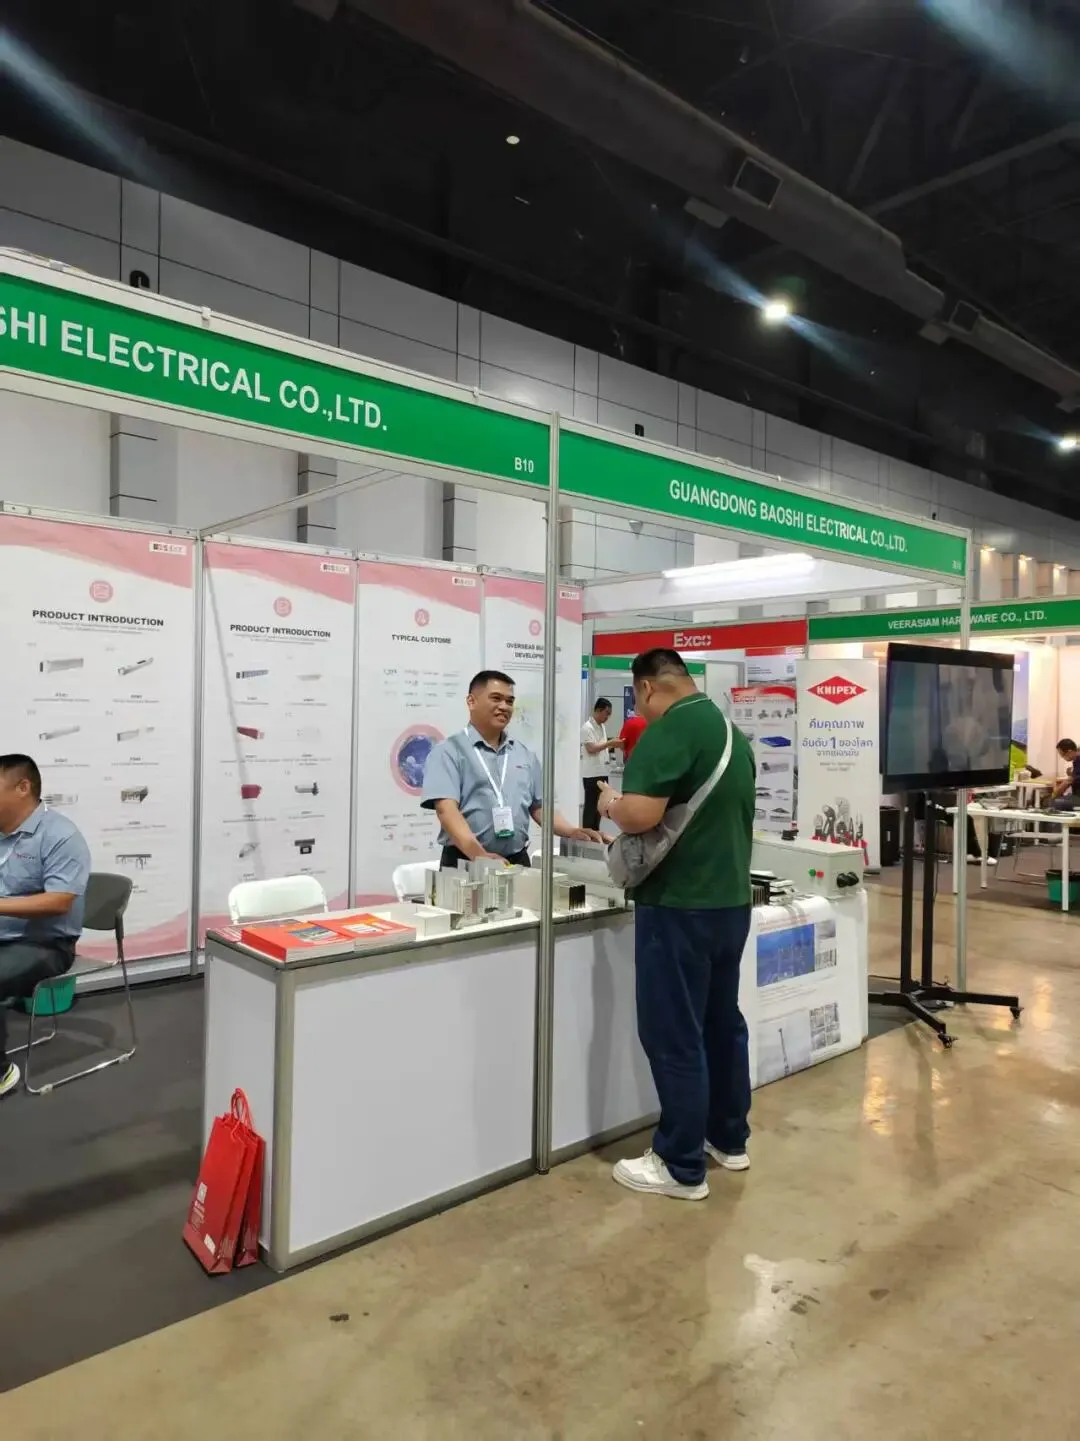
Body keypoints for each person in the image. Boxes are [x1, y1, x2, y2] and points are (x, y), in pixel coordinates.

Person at [597, 649, 755, 1201]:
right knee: (721, 1024)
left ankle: (680, 1163)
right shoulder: (731, 734)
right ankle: (728, 1139)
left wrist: (611, 803)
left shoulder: (669, 730)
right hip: (730, 902)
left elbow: (641, 814)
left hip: (678, 905)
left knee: (674, 1033)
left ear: (645, 688)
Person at [422, 670, 602, 868]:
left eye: (509, 701)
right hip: (466, 861)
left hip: (517, 860)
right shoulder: (449, 751)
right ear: (471, 701)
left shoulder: (524, 754)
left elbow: (539, 807)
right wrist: (479, 856)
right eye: (496, 698)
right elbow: (446, 810)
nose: (504, 706)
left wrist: (571, 831)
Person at [0, 755, 92, 1099]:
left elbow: (59, 901)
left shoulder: (60, 835)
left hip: (46, 945)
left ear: (22, 787)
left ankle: (2, 1073)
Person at [580, 698, 622, 831]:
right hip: (591, 774)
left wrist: (612, 745)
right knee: (590, 807)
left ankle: (596, 833)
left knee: (600, 807)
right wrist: (610, 743)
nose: (607, 717)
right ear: (598, 710)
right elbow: (591, 748)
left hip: (603, 771)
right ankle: (587, 835)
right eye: (606, 713)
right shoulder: (587, 728)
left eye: (609, 714)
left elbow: (601, 747)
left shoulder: (602, 727)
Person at [1050, 739, 1080, 812]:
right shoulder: (1076, 761)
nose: (1062, 757)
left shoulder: (1078, 760)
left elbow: (1068, 782)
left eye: (1062, 754)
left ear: (1069, 752)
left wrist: (1054, 795)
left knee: (1053, 802)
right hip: (1076, 795)